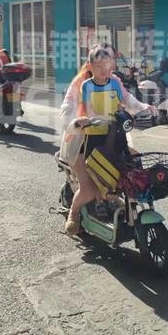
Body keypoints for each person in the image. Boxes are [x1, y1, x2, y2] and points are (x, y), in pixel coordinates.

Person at [65, 45, 139, 235]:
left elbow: (126, 100)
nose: (106, 68)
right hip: (80, 141)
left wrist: (141, 109)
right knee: (90, 188)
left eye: (109, 62)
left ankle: (109, 203)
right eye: (100, 64)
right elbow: (67, 109)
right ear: (91, 64)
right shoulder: (81, 83)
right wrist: (77, 121)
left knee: (130, 168)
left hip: (110, 136)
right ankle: (73, 214)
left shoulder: (114, 80)